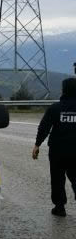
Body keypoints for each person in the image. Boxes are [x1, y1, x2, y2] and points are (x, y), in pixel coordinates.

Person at [32, 77, 76, 217]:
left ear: (63, 90)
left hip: (58, 150)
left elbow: (44, 127)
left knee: (57, 178)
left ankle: (59, 207)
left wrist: (37, 145)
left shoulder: (55, 108)